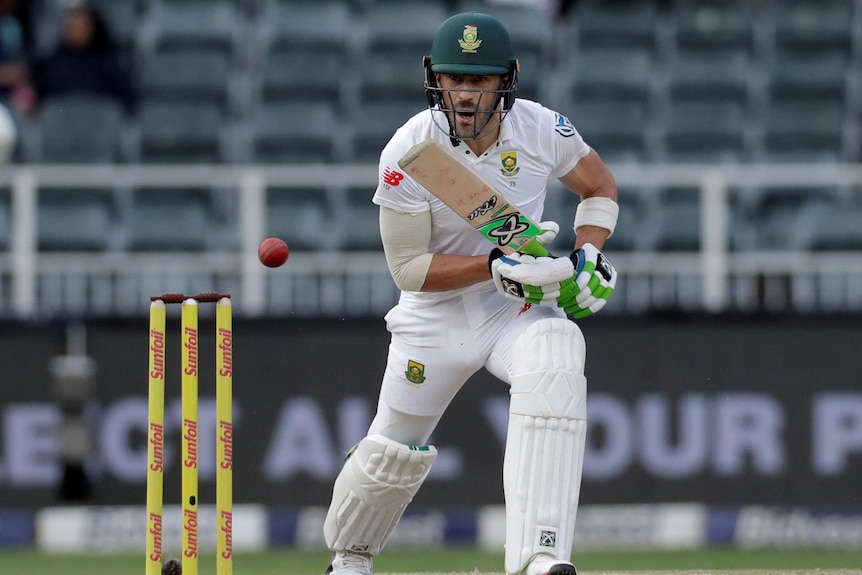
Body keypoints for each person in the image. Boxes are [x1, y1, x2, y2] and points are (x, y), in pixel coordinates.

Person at [322, 12, 618, 575]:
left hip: (515, 307)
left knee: (558, 355)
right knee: (393, 447)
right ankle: (350, 558)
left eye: (478, 81)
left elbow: (598, 185)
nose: (464, 94)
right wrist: (492, 264)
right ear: (435, 77)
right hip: (433, 317)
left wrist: (589, 251)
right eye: (455, 78)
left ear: (508, 79)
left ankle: (540, 554)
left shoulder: (541, 129)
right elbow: (407, 269)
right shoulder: (410, 150)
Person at [31, 2, 136, 115]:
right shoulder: (51, 64)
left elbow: (125, 103)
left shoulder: (110, 64)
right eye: (72, 26)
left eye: (81, 26)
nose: (76, 30)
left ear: (93, 27)